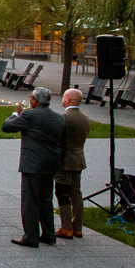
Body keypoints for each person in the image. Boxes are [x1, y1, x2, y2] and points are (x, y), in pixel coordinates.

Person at [2, 87, 66, 248]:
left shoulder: (29, 115)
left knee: (30, 200)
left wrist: (16, 113)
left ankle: (31, 236)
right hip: (51, 163)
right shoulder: (59, 118)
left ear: (35, 101)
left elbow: (7, 127)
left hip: (33, 164)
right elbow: (64, 142)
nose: (29, 99)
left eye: (31, 97)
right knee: (46, 199)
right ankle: (49, 234)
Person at [57, 89, 89, 240]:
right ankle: (78, 227)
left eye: (64, 96)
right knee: (76, 193)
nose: (62, 99)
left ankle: (66, 227)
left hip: (65, 161)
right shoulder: (85, 118)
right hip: (79, 159)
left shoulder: (64, 118)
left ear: (69, 99)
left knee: (62, 193)